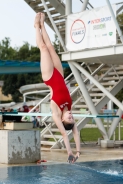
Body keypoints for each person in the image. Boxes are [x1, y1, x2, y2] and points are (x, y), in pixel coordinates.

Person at [34, 13, 80, 163]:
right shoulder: (69, 106)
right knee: (51, 47)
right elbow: (76, 132)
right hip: (59, 73)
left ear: (62, 119)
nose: (71, 116)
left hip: (49, 76)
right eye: (72, 118)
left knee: (43, 48)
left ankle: (36, 27)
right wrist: (79, 151)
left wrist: (70, 152)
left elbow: (66, 134)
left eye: (69, 118)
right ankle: (43, 24)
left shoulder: (56, 112)